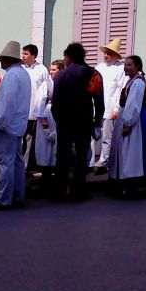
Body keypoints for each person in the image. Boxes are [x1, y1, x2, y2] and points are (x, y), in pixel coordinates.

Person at [51, 43, 104, 202]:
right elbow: (99, 103)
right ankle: (78, 191)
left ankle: (60, 190)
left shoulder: (61, 75)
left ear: (69, 57)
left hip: (65, 122)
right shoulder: (94, 74)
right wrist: (96, 123)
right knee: (81, 157)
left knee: (62, 157)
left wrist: (59, 120)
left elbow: (55, 103)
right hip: (84, 122)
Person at [0, 41, 31, 210]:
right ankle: (18, 195)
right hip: (18, 124)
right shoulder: (23, 74)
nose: (0, 62)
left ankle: (3, 199)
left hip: (8, 126)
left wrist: (1, 123)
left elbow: (9, 102)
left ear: (8, 59)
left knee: (5, 163)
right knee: (17, 163)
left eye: (2, 59)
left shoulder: (12, 75)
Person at [108, 55, 146, 198]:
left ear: (137, 67)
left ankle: (131, 185)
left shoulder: (138, 83)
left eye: (129, 65)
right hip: (127, 117)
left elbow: (133, 104)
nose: (126, 67)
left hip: (135, 122)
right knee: (126, 153)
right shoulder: (131, 81)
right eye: (125, 65)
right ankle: (124, 183)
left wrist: (128, 123)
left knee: (131, 154)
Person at [94, 38, 126, 173]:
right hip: (97, 107)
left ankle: (104, 162)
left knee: (107, 138)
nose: (106, 56)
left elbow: (121, 90)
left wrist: (116, 108)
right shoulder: (99, 67)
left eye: (109, 53)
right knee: (94, 136)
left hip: (110, 107)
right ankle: (91, 161)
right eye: (105, 53)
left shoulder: (120, 69)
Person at [21, 43, 53, 171]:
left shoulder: (42, 69)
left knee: (31, 138)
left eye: (26, 54)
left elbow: (49, 88)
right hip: (21, 110)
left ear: (33, 55)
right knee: (20, 139)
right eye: (23, 53)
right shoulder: (20, 69)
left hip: (35, 110)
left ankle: (26, 166)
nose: (23, 56)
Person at [33, 60, 63, 184]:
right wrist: (43, 119)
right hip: (48, 114)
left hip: (59, 115)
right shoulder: (47, 84)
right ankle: (45, 174)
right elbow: (40, 102)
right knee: (45, 145)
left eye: (54, 69)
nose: (51, 72)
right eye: (50, 69)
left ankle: (56, 173)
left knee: (57, 143)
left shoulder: (64, 83)